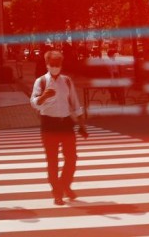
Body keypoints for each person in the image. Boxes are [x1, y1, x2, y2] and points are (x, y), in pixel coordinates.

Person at [30, 50, 88, 206]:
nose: (55, 67)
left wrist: (81, 124)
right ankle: (57, 192)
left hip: (66, 123)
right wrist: (44, 97)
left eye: (58, 65)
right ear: (47, 65)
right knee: (52, 160)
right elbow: (34, 102)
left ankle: (65, 185)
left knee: (71, 158)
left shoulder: (67, 81)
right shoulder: (41, 81)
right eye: (52, 65)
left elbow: (74, 102)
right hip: (49, 124)